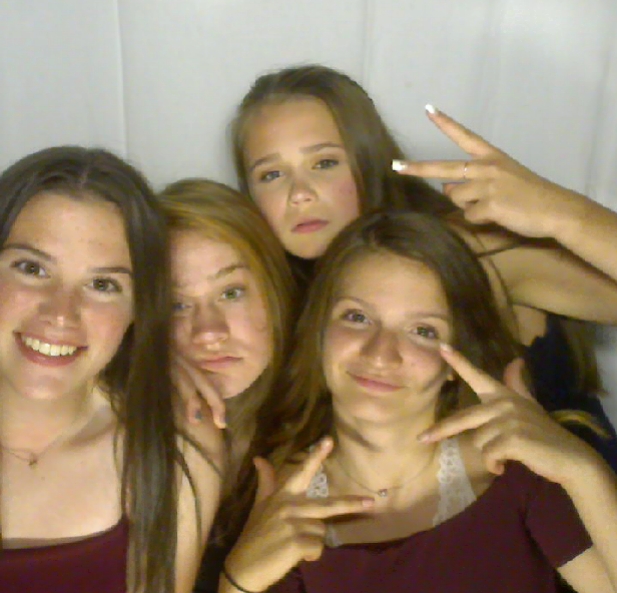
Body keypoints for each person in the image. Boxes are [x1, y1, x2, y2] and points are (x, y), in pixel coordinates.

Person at [228, 64, 617, 469]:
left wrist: (560, 213)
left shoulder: (467, 248)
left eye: (324, 163)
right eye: (272, 174)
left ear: (368, 160)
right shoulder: (280, 296)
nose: (299, 194)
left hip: (583, 496)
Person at [221, 211, 617, 593]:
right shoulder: (281, 504)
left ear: (457, 357)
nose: (381, 354)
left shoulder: (514, 470)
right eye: (357, 317)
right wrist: (236, 582)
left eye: (423, 331)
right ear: (319, 330)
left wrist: (582, 470)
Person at [0, 147, 223, 593]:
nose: (61, 313)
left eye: (102, 285)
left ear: (139, 307)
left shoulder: (175, 447)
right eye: (32, 268)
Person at [158, 179, 301, 593]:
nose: (208, 332)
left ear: (274, 290)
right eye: (176, 304)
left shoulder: (330, 430)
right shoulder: (116, 434)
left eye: (231, 292)